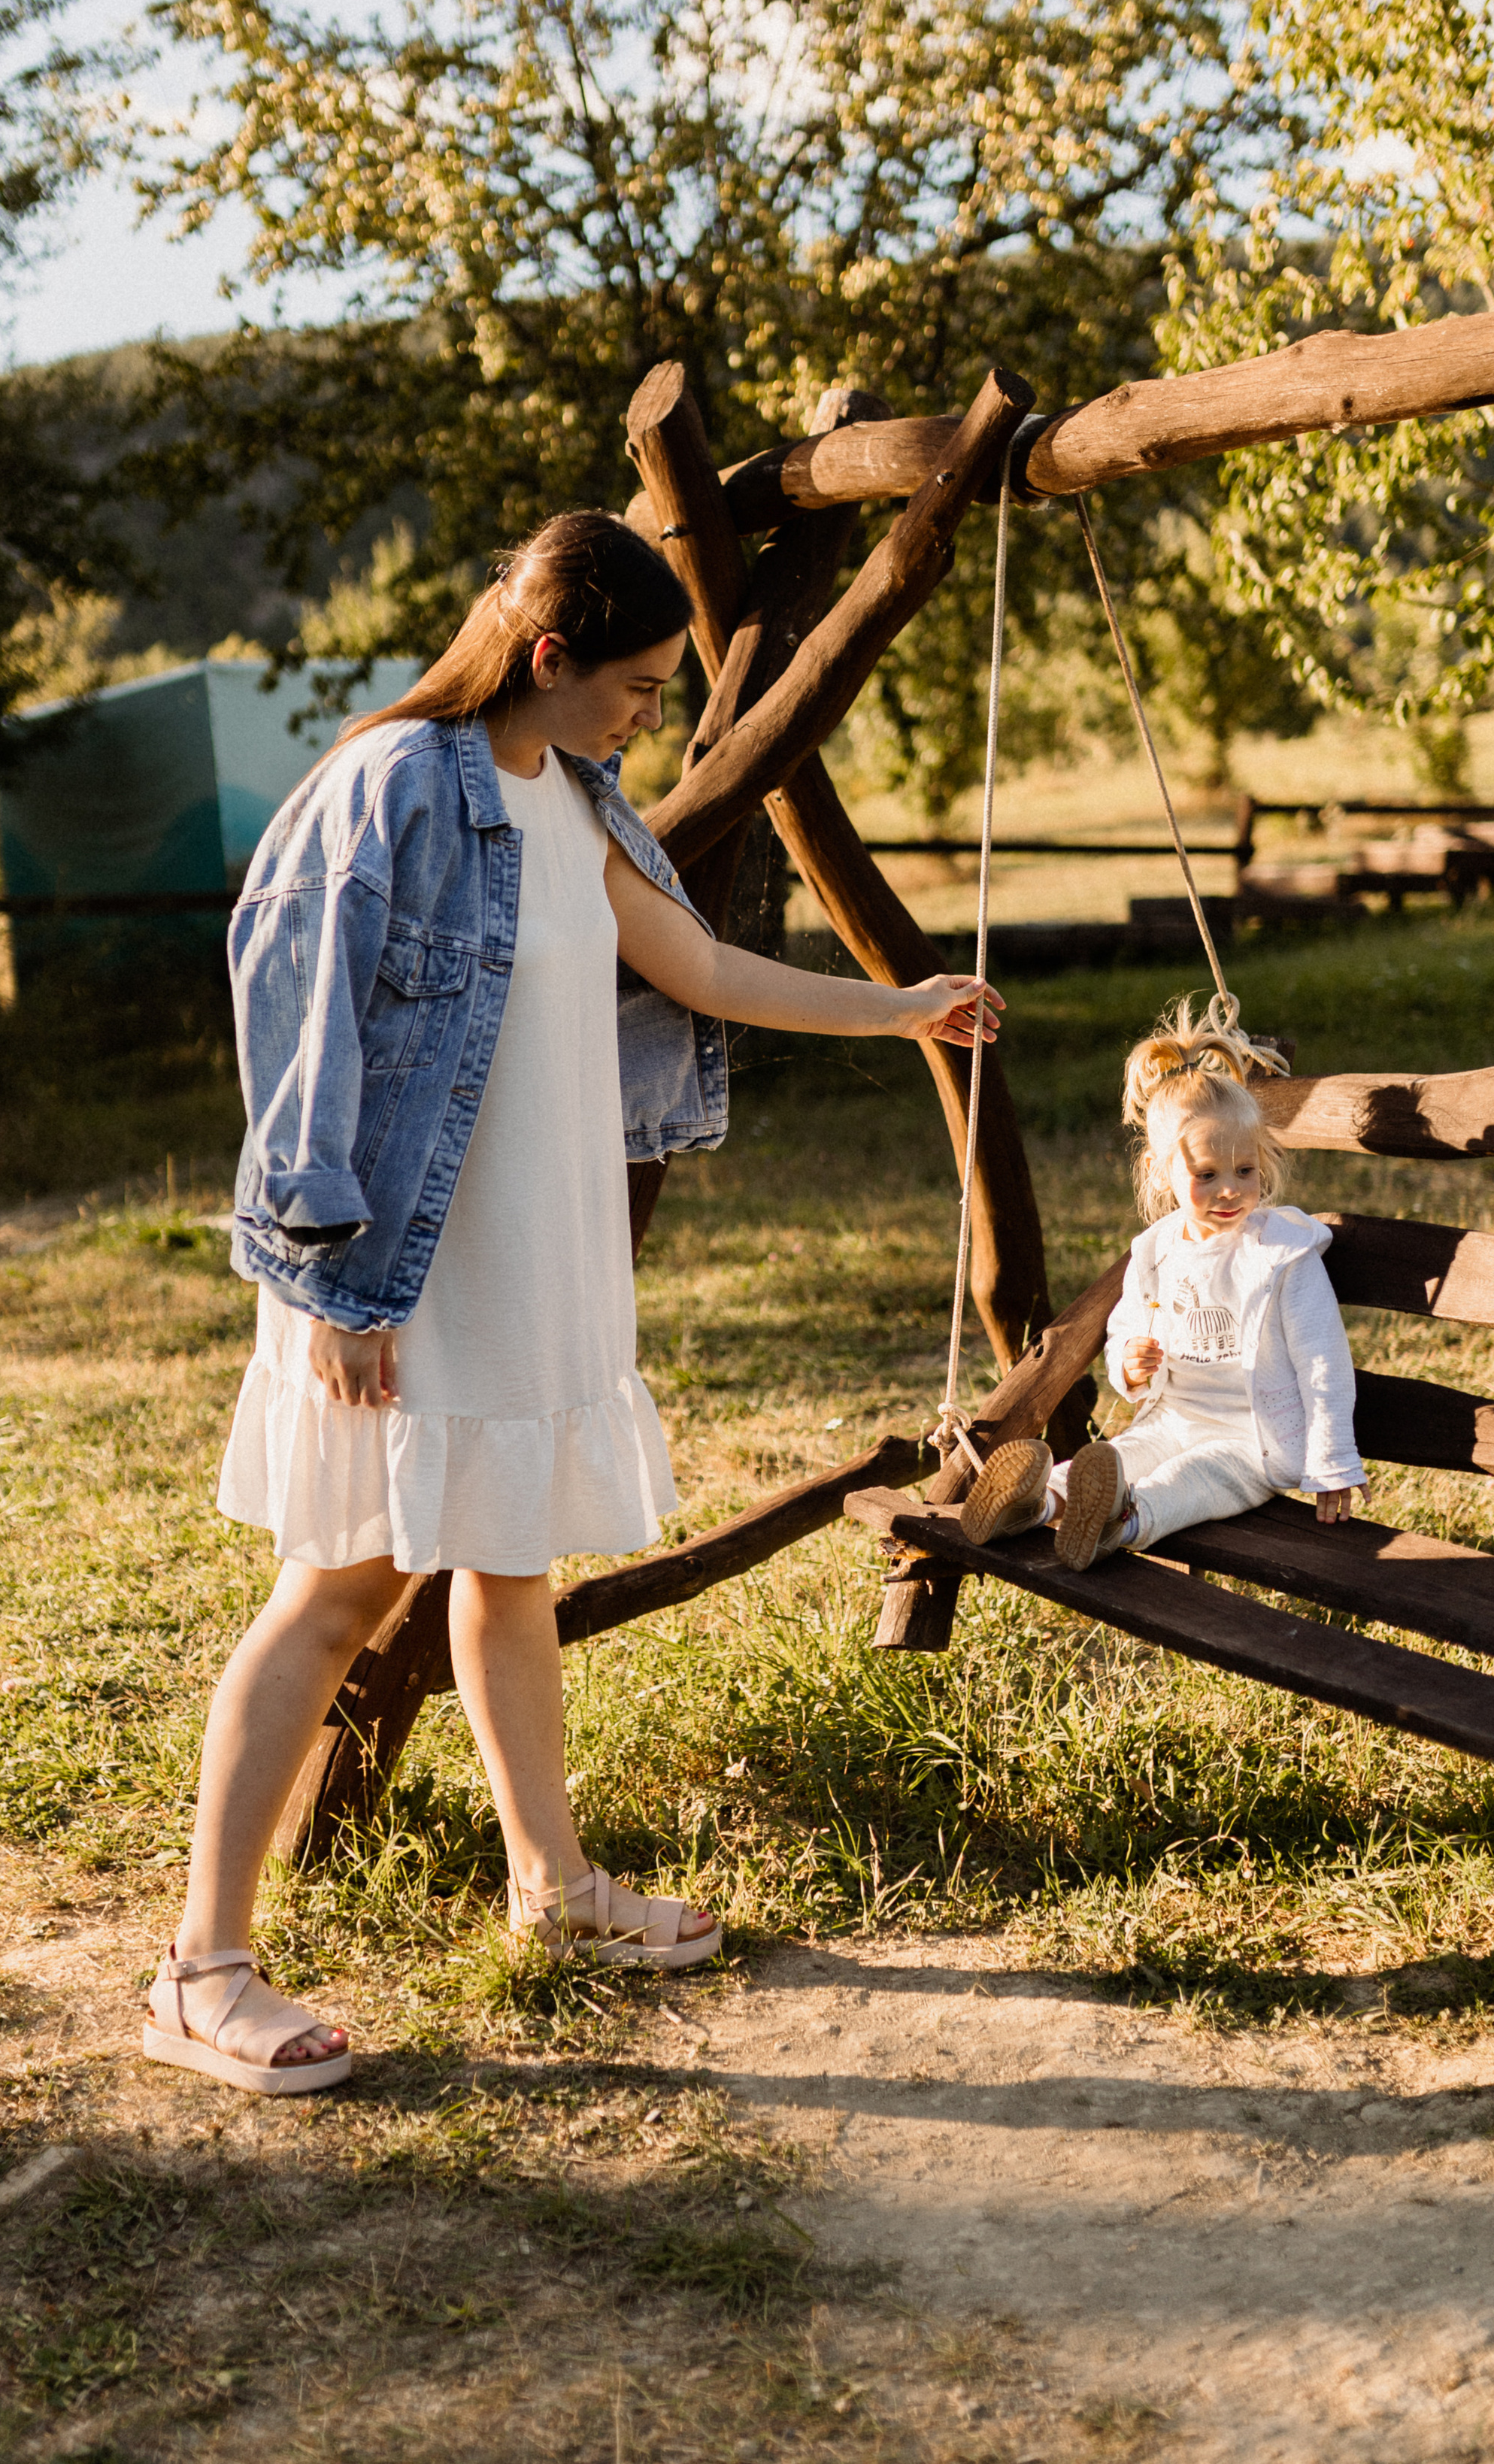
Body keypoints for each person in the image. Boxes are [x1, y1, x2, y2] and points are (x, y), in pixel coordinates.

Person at [142, 509, 1002, 2096]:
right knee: (334, 1592)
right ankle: (201, 1971)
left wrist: (904, 1011)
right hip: (396, 1273)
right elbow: (297, 1007)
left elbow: (701, 970)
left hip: (527, 1263)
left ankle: (553, 1890)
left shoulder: (577, 798)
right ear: (550, 655)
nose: (650, 717)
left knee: (508, 1567)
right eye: (638, 686)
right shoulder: (392, 785)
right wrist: (331, 1273)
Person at [958, 999, 1364, 1568]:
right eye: (1207, 1175)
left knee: (1192, 1477)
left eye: (1245, 1170)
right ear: (1160, 1171)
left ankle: (1121, 1522)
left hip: (1251, 1439)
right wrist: (1130, 1363)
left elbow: (1324, 1364)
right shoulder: (1157, 1249)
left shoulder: (1281, 1253)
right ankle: (1038, 1503)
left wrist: (1331, 1463)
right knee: (1124, 1453)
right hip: (1173, 1419)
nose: (1230, 1190)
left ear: (1261, 1160)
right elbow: (1126, 1326)